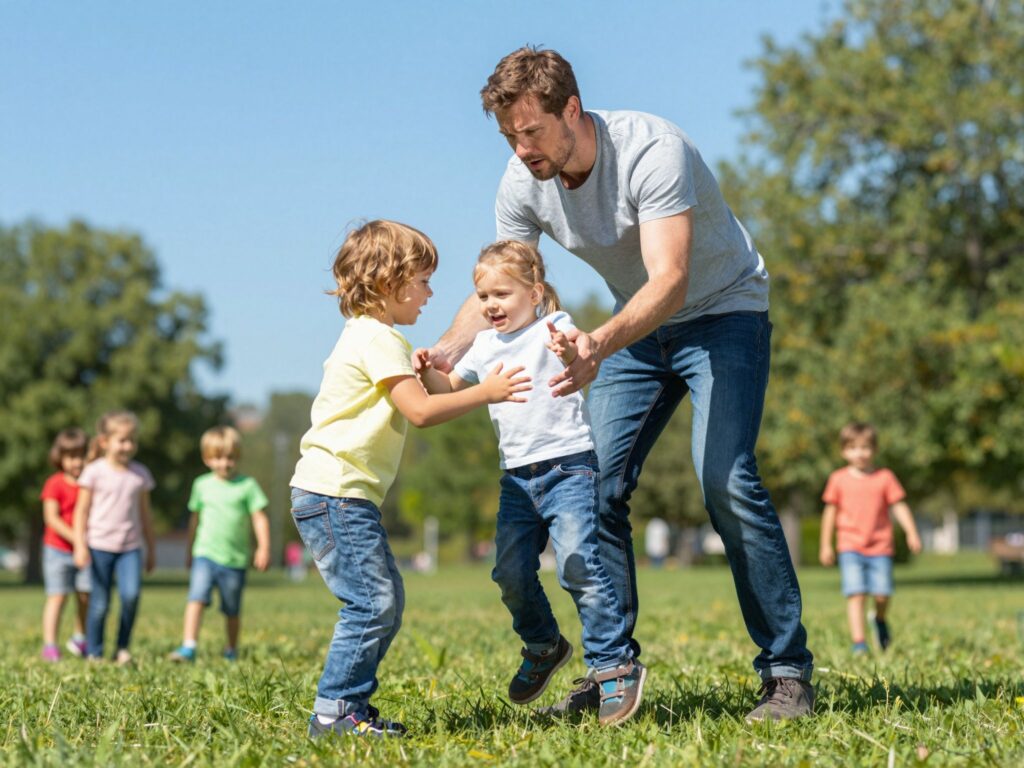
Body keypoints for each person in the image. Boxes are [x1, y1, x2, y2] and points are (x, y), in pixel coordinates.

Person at [417, 46, 815, 721]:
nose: (521, 149)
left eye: (532, 131)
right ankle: (610, 670)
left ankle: (786, 673)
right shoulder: (522, 182)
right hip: (636, 333)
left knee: (725, 478)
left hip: (722, 313)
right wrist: (449, 353)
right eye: (509, 136)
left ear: (571, 109)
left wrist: (598, 342)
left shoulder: (653, 150)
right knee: (590, 483)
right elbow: (500, 286)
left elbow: (670, 279)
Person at [290, 219, 531, 740]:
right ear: (389, 283)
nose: (429, 293)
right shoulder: (382, 339)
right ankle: (334, 713)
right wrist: (485, 392)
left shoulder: (370, 337)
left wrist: (421, 368)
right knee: (373, 603)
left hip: (334, 491)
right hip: (337, 492)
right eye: (422, 281)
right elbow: (420, 412)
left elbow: (408, 394)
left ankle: (347, 706)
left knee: (381, 600)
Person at [417, 240, 644, 725]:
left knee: (577, 566)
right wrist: (427, 372)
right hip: (518, 480)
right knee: (510, 572)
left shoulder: (554, 326)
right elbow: (450, 390)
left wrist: (566, 350)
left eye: (502, 293)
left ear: (535, 292)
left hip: (568, 469)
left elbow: (576, 358)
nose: (491, 305)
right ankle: (543, 644)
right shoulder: (482, 346)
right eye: (483, 296)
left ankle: (614, 665)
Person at [169, 426, 270, 663]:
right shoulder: (201, 485)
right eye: (217, 458)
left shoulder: (247, 485)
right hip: (204, 553)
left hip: (235, 559)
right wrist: (189, 550)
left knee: (232, 609)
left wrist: (263, 547)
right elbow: (195, 520)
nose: (224, 463)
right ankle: (189, 646)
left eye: (230, 458)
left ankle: (231, 649)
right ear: (207, 459)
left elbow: (259, 517)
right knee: (196, 597)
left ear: (238, 457)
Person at [819, 422, 922, 653]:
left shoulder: (885, 477)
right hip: (850, 546)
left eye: (865, 447)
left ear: (874, 449)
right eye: (853, 447)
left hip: (880, 546)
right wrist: (826, 544)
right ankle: (859, 643)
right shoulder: (838, 479)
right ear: (843, 451)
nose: (860, 453)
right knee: (855, 593)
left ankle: (880, 619)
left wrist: (911, 531)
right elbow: (829, 513)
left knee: (883, 594)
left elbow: (899, 506)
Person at [73, 410, 156, 664]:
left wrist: (151, 549)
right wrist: (79, 544)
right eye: (122, 440)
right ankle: (95, 652)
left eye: (132, 440)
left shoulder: (140, 475)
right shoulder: (94, 472)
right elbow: (82, 511)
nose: (128, 445)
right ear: (105, 442)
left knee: (130, 596)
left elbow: (145, 515)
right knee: (100, 603)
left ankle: (122, 648)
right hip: (99, 546)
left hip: (130, 548)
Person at [39, 428, 91, 661]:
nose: (77, 462)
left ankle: (79, 638)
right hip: (57, 550)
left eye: (81, 456)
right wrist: (77, 539)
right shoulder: (54, 483)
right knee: (57, 596)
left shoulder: (91, 483)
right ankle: (50, 644)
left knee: (85, 595)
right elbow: (51, 518)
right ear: (60, 457)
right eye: (71, 457)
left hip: (86, 551)